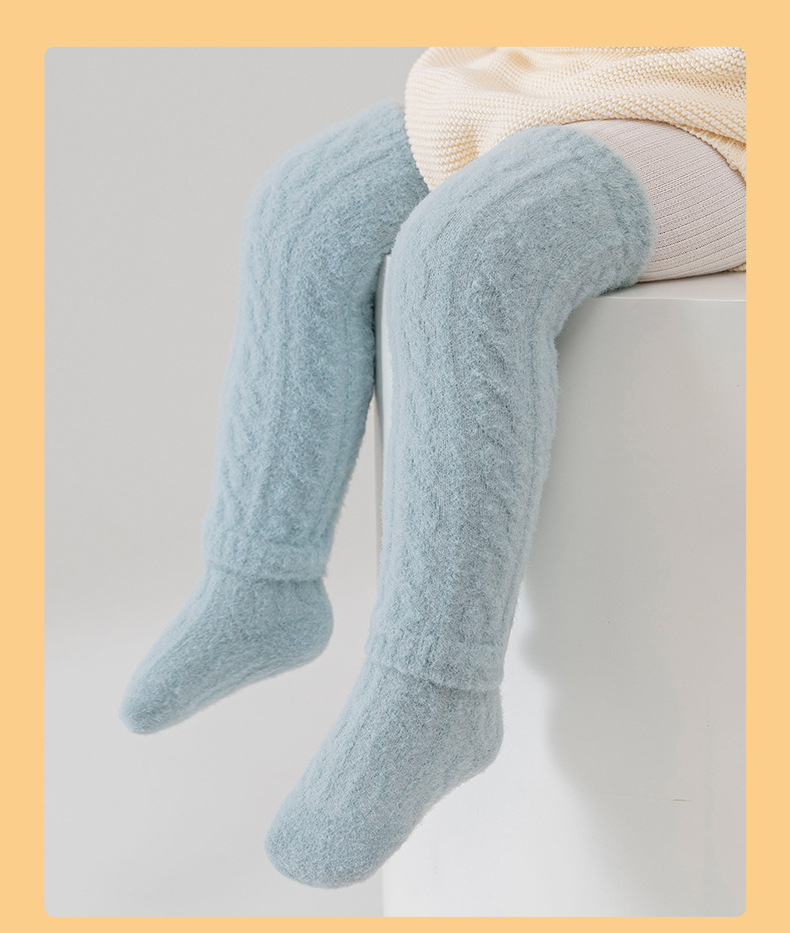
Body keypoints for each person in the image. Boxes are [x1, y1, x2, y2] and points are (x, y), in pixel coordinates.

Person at [119, 47, 746, 887]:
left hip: (727, 112)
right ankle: (259, 580)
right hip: (557, 70)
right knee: (302, 212)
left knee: (469, 257)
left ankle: (435, 687)